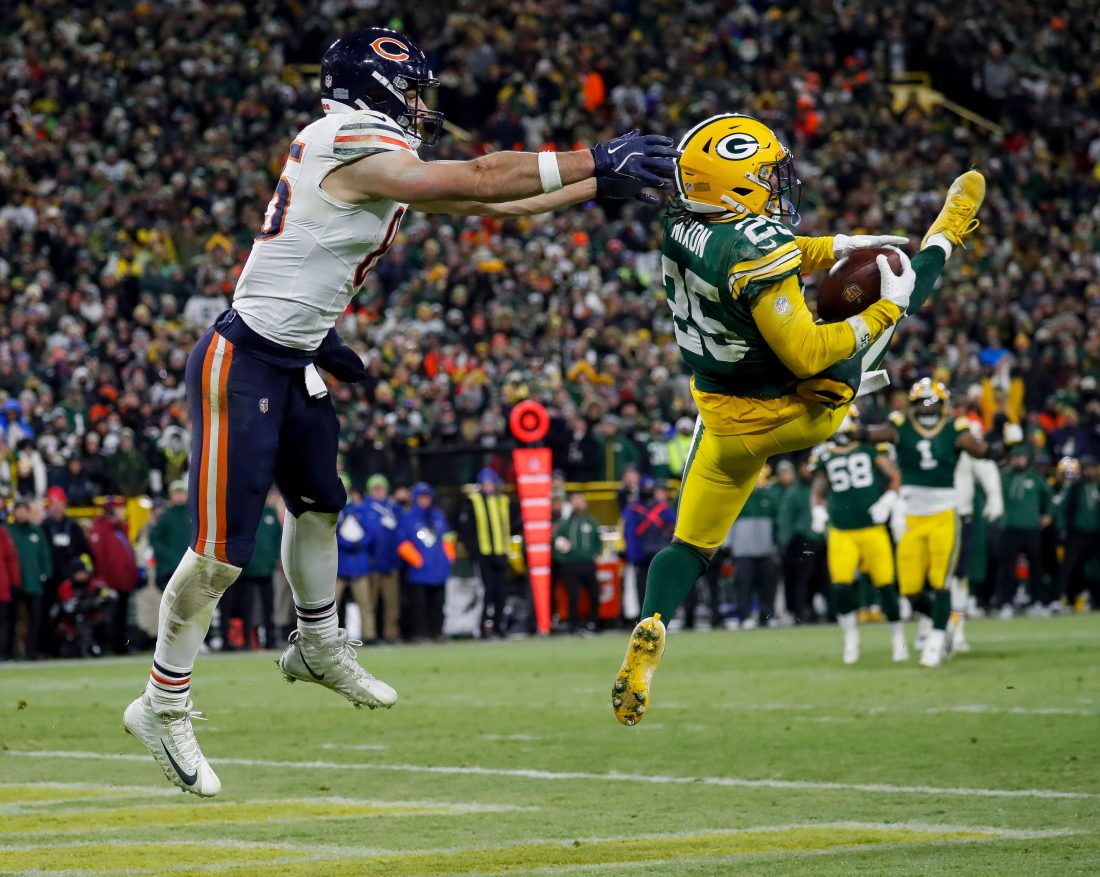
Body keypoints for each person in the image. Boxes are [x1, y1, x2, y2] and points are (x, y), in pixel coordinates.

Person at [123, 24, 677, 795]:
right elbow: (484, 178)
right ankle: (161, 701)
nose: (421, 104)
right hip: (244, 356)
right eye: (411, 89)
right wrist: (592, 157)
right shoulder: (346, 137)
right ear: (377, 87)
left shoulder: (377, 148)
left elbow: (496, 206)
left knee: (320, 506)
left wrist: (601, 187)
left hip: (297, 357)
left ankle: (316, 645)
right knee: (220, 553)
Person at [611, 111, 985, 725]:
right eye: (763, 173)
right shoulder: (750, 248)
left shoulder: (679, 224)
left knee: (689, 544)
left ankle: (653, 623)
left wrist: (838, 248)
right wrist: (880, 315)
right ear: (733, 183)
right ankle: (949, 229)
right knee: (899, 295)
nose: (777, 183)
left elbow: (770, 252)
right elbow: (806, 350)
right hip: (795, 410)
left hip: (721, 420)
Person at [859, 380, 1006, 667]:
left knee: (942, 582)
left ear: (943, 405)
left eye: (932, 402)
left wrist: (1004, 442)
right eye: (922, 402)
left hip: (944, 515)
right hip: (912, 515)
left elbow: (985, 455)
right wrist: (843, 427)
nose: (927, 408)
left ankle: (936, 641)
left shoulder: (956, 429)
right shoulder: (901, 428)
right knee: (911, 590)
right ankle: (944, 625)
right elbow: (872, 435)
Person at [810, 408, 906, 664]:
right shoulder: (823, 453)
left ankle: (898, 639)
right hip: (841, 532)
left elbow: (895, 476)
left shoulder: (872, 447)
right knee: (840, 587)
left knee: (886, 586)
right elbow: (818, 491)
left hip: (872, 528)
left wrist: (889, 498)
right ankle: (850, 639)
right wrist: (817, 511)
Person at [997, 444, 1053, 617]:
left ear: (1027, 459)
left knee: (1036, 567)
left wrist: (1048, 515)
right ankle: (1005, 603)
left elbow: (1049, 496)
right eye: (1015, 457)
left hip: (1031, 528)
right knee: (1007, 568)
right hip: (1010, 528)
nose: (1018, 460)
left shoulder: (1035, 478)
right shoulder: (1004, 477)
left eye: (1021, 457)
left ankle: (1037, 602)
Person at [458, 468, 513, 638]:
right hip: (484, 554)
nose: (488, 487)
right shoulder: (473, 502)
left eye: (490, 483)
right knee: (486, 592)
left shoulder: (503, 501)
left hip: (501, 552)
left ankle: (498, 625)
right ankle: (482, 627)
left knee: (501, 592)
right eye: (485, 483)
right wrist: (475, 551)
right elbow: (466, 530)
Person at [396, 482, 455, 641]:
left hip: (438, 569)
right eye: (421, 497)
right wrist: (417, 561)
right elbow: (402, 543)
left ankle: (437, 632)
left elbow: (448, 537)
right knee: (418, 606)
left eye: (427, 497)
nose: (425, 500)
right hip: (418, 571)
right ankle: (420, 634)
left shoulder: (438, 516)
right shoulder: (407, 517)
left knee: (438, 604)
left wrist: (448, 558)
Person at [725, 468, 779, 629]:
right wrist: (728, 546)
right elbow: (728, 523)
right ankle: (745, 616)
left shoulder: (768, 499)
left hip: (765, 550)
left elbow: (775, 524)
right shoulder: (738, 498)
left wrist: (775, 544)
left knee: (767, 585)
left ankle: (767, 615)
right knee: (743, 585)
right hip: (742, 551)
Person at [41, 486, 91, 655]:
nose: (56, 507)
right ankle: (48, 650)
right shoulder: (44, 527)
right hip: (50, 581)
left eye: (59, 503)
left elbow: (86, 553)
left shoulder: (73, 527)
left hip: (73, 582)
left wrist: (82, 572)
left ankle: (79, 648)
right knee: (49, 616)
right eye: (53, 503)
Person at [88, 497, 140, 654]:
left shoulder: (120, 529)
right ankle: (112, 646)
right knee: (112, 616)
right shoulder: (101, 530)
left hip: (123, 581)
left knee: (122, 616)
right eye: (119, 509)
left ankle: (121, 646)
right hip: (110, 582)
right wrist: (103, 581)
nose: (122, 512)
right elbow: (99, 558)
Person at [7, 498, 52, 660]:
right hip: (15, 584)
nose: (21, 513)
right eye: (18, 510)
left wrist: (45, 573)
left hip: (34, 584)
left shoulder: (36, 531)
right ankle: (10, 653)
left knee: (35, 620)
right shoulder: (8, 531)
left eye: (24, 510)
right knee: (11, 621)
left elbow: (45, 554)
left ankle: (32, 652)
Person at [553, 493, 603, 634]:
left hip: (587, 564)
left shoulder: (591, 522)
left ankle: (593, 623)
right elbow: (557, 543)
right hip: (571, 565)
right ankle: (573, 625)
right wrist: (563, 559)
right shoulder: (565, 524)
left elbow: (597, 542)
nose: (578, 504)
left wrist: (593, 554)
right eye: (575, 501)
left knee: (594, 594)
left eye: (580, 501)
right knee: (573, 596)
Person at [1057, 455, 1100, 612]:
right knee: (1071, 567)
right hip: (1077, 535)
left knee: (1096, 569)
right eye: (1087, 468)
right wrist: (1063, 530)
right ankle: (1068, 599)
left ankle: (1096, 601)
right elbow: (1063, 509)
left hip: (1097, 535)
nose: (1089, 471)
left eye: (1092, 468)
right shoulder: (1075, 487)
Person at [363, 475, 401, 644]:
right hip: (372, 563)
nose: (379, 491)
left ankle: (390, 634)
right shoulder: (364, 509)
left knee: (391, 603)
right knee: (371, 602)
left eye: (381, 488)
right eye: (375, 488)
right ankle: (371, 634)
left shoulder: (394, 508)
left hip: (391, 562)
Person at [335, 483, 373, 639]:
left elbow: (370, 532)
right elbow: (330, 535)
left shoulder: (360, 511)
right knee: (331, 608)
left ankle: (369, 635)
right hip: (339, 566)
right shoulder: (334, 511)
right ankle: (327, 638)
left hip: (358, 565)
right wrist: (350, 544)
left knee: (365, 605)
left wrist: (357, 543)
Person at [148, 481, 191, 590]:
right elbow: (154, 540)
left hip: (191, 570)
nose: (179, 496)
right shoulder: (165, 516)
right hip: (169, 570)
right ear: (171, 496)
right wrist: (169, 558)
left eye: (182, 493)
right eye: (176, 493)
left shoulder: (193, 515)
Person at [0, 515, 18, 660]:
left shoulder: (3, 533)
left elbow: (11, 559)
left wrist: (15, 582)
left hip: (2, 587)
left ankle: (4, 654)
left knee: (4, 622)